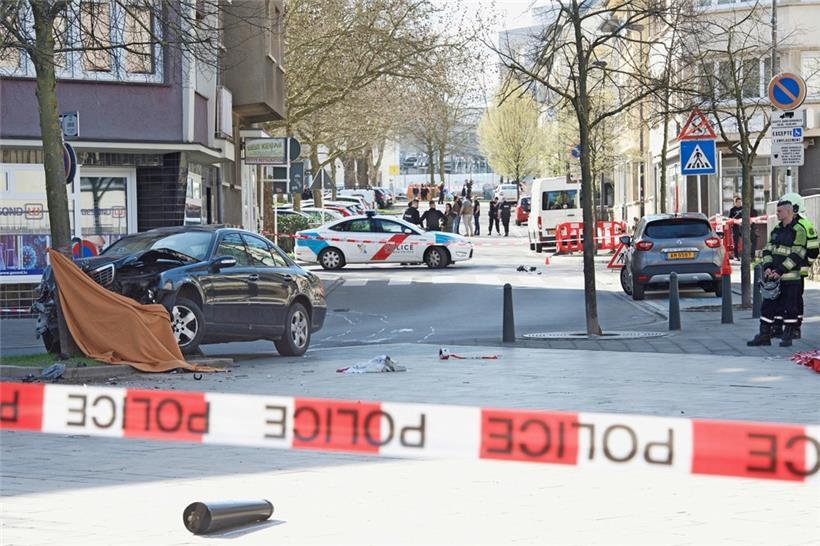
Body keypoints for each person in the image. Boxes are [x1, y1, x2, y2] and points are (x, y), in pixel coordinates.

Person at [747, 195, 810, 347]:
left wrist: (780, 270)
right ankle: (764, 335)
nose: (777, 214)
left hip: (790, 277)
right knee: (768, 307)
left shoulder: (799, 230)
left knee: (790, 307)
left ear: (789, 212)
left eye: (780, 211)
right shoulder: (776, 229)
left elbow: (798, 254)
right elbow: (767, 250)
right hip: (773, 277)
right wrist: (767, 267)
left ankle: (787, 335)